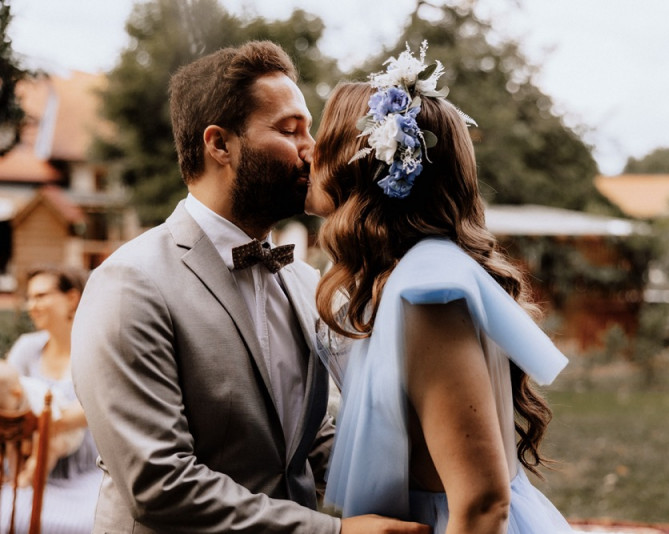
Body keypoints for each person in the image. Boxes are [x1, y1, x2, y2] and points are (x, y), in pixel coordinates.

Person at [72, 40, 429, 534]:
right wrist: (335, 532)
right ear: (219, 144)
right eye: (290, 130)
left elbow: (315, 441)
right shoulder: (129, 284)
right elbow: (157, 484)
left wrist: (433, 486)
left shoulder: (307, 283)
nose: (314, 149)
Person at [306, 43, 575, 533]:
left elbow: (481, 502)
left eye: (321, 140)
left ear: (359, 164)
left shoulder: (424, 292)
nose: (308, 152)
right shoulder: (419, 270)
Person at [4, 264, 101, 532]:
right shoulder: (27, 348)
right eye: (30, 297)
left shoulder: (96, 352)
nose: (31, 305)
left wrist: (41, 422)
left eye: (41, 296)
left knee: (86, 524)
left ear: (72, 298)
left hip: (86, 474)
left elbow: (96, 409)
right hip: (25, 471)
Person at [0, 359, 84, 487]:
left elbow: (49, 425)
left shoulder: (37, 396)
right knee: (13, 442)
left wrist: (34, 454)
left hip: (63, 433)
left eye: (2, 407)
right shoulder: (10, 390)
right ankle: (14, 476)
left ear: (16, 394)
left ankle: (33, 477)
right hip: (33, 429)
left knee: (46, 450)